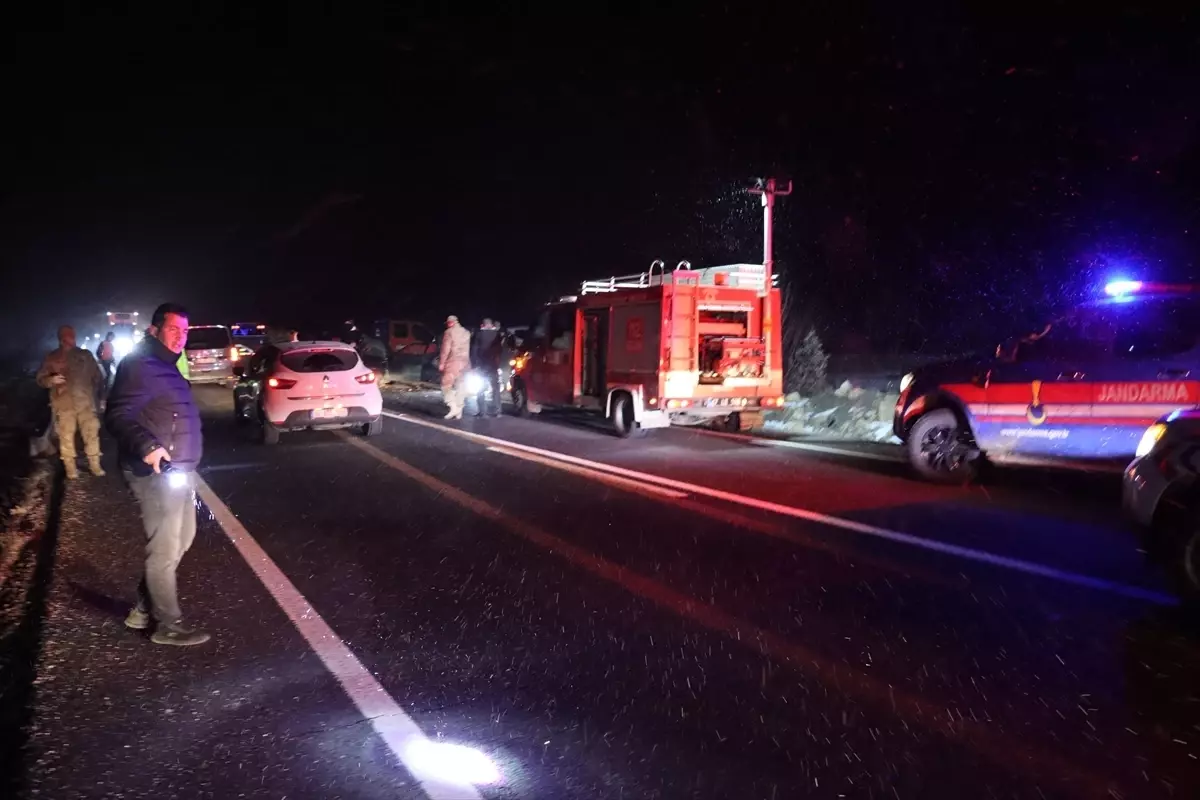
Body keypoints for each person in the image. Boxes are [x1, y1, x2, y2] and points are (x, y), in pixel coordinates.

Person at [106, 302, 209, 647]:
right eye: (173, 329)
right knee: (164, 550)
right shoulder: (140, 365)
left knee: (183, 540)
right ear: (154, 331)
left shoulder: (167, 365)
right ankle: (168, 625)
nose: (180, 337)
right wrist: (148, 446)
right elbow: (118, 415)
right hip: (153, 472)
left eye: (184, 331)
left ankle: (141, 609)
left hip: (180, 470)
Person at [36, 325, 106, 479]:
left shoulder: (85, 355)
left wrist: (101, 398)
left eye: (72, 336)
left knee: (91, 434)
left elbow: (98, 378)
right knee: (65, 436)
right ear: (61, 338)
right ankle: (70, 469)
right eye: (67, 336)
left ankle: (95, 465)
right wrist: (50, 379)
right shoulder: (52, 357)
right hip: (64, 403)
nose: (70, 339)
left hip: (85, 403)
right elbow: (40, 379)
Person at [437, 315, 471, 420]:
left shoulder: (449, 332)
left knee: (446, 385)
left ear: (450, 323)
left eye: (448, 323)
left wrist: (442, 363)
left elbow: (445, 349)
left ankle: (453, 407)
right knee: (461, 385)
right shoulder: (466, 332)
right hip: (465, 363)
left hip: (452, 362)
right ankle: (459, 409)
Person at [470, 318, 503, 417]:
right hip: (493, 366)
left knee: (481, 389)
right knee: (495, 389)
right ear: (491, 325)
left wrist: (474, 365)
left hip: (481, 366)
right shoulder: (497, 335)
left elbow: (474, 350)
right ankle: (498, 411)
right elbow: (500, 351)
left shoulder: (479, 335)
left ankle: (482, 411)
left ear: (483, 325)